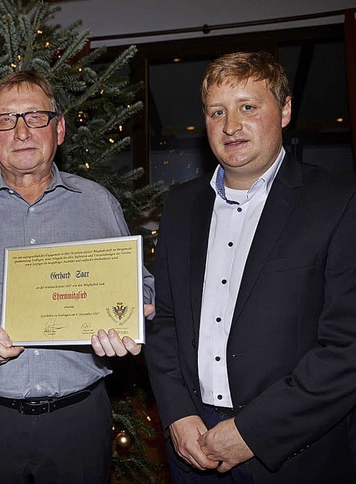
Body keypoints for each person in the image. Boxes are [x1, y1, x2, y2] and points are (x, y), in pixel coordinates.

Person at [0, 70, 155, 483]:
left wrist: (135, 310)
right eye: (4, 120)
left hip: (78, 420)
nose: (21, 132)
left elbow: (140, 283)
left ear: (59, 128)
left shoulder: (98, 204)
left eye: (35, 117)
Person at [144, 51, 356, 483]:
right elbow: (164, 321)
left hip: (295, 452)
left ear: (285, 110)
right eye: (217, 111)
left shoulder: (338, 201)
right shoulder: (181, 205)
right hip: (193, 446)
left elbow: (347, 348)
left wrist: (252, 432)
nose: (230, 126)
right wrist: (178, 414)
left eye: (248, 107)